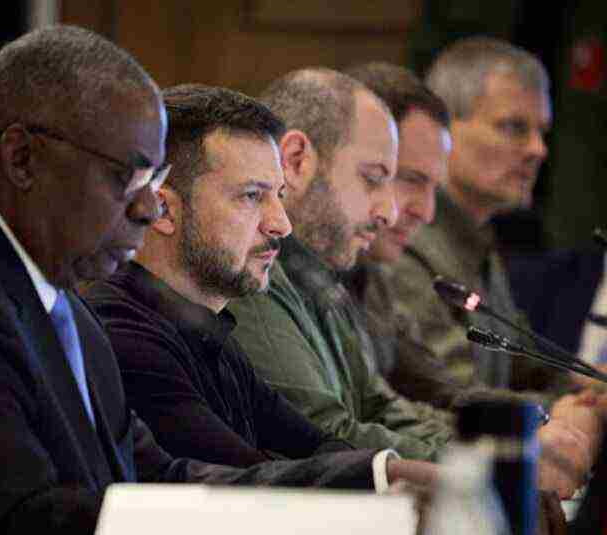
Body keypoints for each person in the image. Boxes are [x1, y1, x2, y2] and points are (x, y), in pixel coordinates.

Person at [0, 27, 393, 535]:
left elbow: (153, 477)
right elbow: (24, 520)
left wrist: (379, 482)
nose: (149, 207)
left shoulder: (57, 295)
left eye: (155, 178)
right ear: (22, 158)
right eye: (128, 175)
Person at [226, 68, 592, 498]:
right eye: (375, 178)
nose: (391, 211)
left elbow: (380, 405)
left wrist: (517, 443)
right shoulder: (252, 272)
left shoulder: (319, 272)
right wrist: (502, 459)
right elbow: (323, 433)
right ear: (295, 161)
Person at [83, 83, 435, 491]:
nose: (281, 224)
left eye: (279, 196)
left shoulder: (211, 333)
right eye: (252, 196)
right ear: (163, 210)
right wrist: (394, 477)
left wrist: (412, 475)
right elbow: (245, 484)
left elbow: (317, 447)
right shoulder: (123, 335)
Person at [387, 36, 564, 394]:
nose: (538, 149)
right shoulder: (404, 239)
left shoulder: (478, 237)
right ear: (442, 127)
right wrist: (567, 413)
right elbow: (457, 395)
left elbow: (527, 367)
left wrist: (590, 389)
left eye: (541, 132)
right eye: (514, 127)